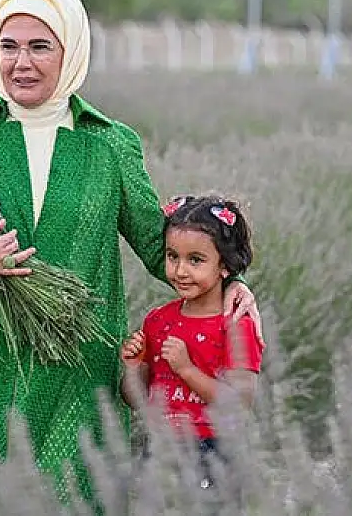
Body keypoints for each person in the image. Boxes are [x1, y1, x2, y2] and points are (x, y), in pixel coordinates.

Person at [0, 0, 261, 512]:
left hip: (73, 357)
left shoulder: (110, 144)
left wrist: (231, 284)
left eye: (41, 47)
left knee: (64, 490)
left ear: (72, 51)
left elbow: (162, 246)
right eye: (9, 47)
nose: (22, 63)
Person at [120, 194, 265, 490]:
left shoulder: (236, 325)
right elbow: (135, 400)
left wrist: (187, 370)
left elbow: (239, 403)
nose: (181, 271)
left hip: (214, 450)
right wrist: (134, 368)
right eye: (173, 256)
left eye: (195, 260)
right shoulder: (158, 321)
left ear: (225, 266)